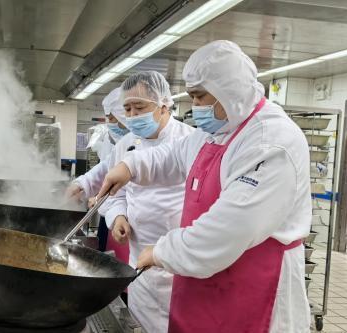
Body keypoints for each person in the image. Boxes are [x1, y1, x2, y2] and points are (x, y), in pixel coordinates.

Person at [98, 41, 311, 333]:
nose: (195, 107)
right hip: (209, 281)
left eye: (200, 97)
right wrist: (131, 167)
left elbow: (231, 227)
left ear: (229, 92)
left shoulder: (269, 141)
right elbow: (171, 156)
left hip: (256, 287)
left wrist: (161, 251)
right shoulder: (219, 131)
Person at [98, 71, 194, 333]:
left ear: (164, 105)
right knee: (139, 324)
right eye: (127, 109)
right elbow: (115, 195)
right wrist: (117, 216)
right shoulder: (127, 144)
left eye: (139, 107)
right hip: (139, 259)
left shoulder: (189, 140)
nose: (132, 115)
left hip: (178, 259)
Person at [67, 88, 130, 256]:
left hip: (142, 230)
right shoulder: (122, 141)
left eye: (111, 118)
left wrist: (98, 197)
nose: (109, 123)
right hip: (117, 221)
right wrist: (82, 184)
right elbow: (107, 167)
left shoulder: (175, 141)